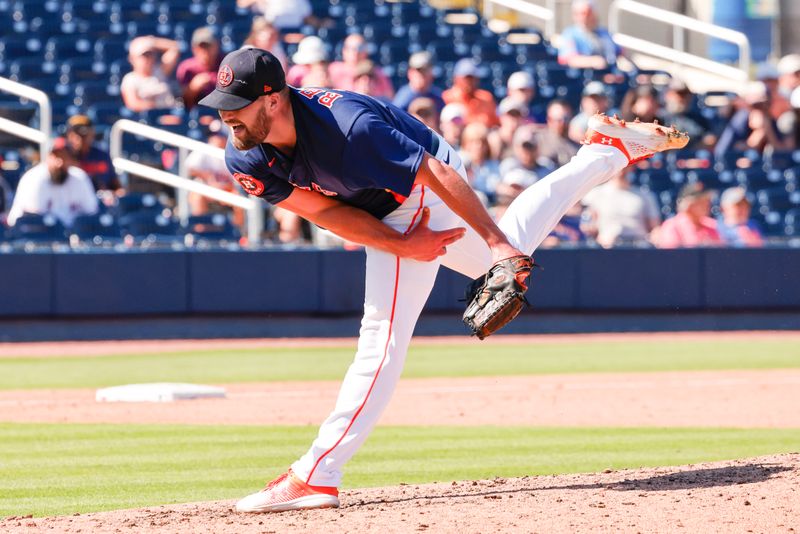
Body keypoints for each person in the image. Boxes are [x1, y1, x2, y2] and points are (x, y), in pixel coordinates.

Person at [199, 47, 687, 513]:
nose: (227, 117)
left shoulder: (349, 127)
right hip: (373, 203)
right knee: (510, 245)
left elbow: (431, 171)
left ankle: (317, 473)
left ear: (273, 99)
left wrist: (492, 247)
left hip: (421, 181)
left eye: (236, 105)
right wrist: (413, 246)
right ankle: (605, 152)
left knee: (383, 334)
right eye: (221, 105)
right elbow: (324, 211)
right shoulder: (245, 156)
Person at [7, 138, 98, 227]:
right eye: (56, 156)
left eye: (64, 157)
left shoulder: (79, 178)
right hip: (31, 236)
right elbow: (32, 221)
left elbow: (91, 213)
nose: (60, 162)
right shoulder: (34, 178)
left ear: (71, 160)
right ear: (47, 157)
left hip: (68, 236)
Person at [581, 166, 660, 247]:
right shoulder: (594, 194)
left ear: (631, 167)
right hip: (608, 248)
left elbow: (655, 228)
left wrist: (655, 237)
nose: (621, 168)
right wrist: (598, 236)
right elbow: (588, 224)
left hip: (638, 247)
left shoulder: (645, 195)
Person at [120, 36, 179, 112]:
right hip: (148, 119)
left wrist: (152, 41)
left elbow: (175, 47)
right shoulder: (130, 79)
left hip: (171, 115)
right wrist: (160, 107)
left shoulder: (160, 71)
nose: (147, 59)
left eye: (150, 54)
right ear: (132, 58)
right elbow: (133, 104)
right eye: (143, 55)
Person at [64, 115, 122, 194]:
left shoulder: (102, 156)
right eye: (75, 133)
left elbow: (117, 187)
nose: (79, 138)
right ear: (68, 135)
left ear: (92, 134)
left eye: (84, 133)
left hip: (100, 201)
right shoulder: (62, 156)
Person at [558, 0, 621, 69]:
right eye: (577, 14)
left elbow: (619, 53)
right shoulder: (570, 34)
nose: (582, 17)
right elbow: (568, 59)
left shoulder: (605, 33)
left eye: (586, 13)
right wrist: (593, 61)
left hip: (611, 73)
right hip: (587, 76)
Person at [655, 183, 721, 248]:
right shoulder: (673, 225)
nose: (707, 205)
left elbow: (721, 252)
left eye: (707, 201)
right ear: (689, 204)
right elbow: (672, 255)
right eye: (701, 202)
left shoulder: (712, 224)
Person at [329, 34, 393, 100]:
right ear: (344, 50)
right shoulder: (333, 70)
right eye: (351, 48)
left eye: (360, 48)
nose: (355, 52)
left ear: (366, 51)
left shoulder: (377, 72)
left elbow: (389, 97)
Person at [442, 58, 499, 127]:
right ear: (456, 78)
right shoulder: (447, 98)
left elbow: (496, 124)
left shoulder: (486, 98)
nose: (471, 82)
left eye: (474, 78)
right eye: (467, 78)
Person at [177, 27, 223, 109]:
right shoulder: (186, 68)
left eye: (208, 46)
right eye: (201, 46)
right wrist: (192, 89)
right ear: (194, 49)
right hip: (196, 114)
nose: (204, 51)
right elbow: (182, 103)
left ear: (216, 46)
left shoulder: (225, 64)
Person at [459, 122, 501, 205]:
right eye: (473, 142)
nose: (479, 146)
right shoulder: (459, 160)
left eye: (482, 142)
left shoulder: (493, 165)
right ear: (465, 143)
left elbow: (495, 188)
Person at [535, 99, 579, 168]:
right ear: (549, 119)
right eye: (558, 120)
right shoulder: (536, 139)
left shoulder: (575, 147)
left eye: (566, 119)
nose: (562, 123)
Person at [236, 0, 312, 30]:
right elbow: (241, 4)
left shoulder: (301, 2)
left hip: (295, 32)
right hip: (267, 31)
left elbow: (309, 18)